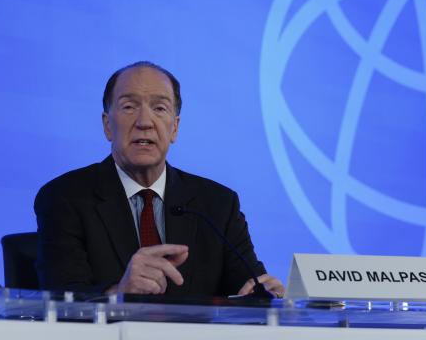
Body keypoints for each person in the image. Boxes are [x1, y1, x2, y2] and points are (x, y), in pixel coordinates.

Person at [34, 61, 284, 297]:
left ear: (174, 128)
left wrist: (258, 293)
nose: (144, 122)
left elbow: (246, 283)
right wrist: (119, 293)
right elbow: (61, 299)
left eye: (159, 108)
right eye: (129, 107)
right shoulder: (64, 198)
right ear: (107, 125)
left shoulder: (218, 204)